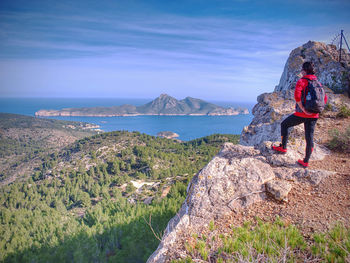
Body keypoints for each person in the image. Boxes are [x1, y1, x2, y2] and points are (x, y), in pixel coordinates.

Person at [272, 61, 327, 168]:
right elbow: (324, 98)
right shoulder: (318, 83)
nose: (301, 72)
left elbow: (297, 97)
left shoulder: (302, 81)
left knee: (284, 124)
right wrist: (316, 110)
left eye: (302, 70)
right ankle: (306, 161)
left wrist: (303, 109)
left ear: (304, 70)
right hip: (314, 115)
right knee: (309, 137)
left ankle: (283, 147)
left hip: (302, 114)